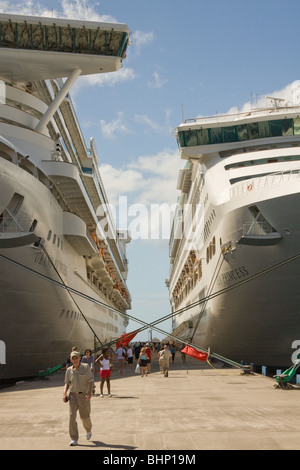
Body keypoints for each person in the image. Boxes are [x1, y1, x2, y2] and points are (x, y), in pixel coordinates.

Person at [63, 350, 94, 446]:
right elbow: (67, 383)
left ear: (80, 358)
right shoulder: (69, 370)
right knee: (72, 417)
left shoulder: (85, 367)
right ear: (71, 360)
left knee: (84, 417)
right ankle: (74, 438)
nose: (75, 359)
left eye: (76, 357)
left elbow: (91, 381)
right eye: (73, 358)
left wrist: (89, 393)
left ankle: (88, 430)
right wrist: (64, 393)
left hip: (83, 395)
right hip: (72, 396)